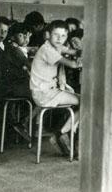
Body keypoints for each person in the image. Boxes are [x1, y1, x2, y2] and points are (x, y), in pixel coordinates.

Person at [29, 20, 81, 156]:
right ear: (48, 35)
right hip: (44, 94)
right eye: (56, 35)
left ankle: (63, 132)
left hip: (50, 91)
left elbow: (72, 51)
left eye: (63, 36)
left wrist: (79, 49)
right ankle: (62, 133)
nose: (60, 39)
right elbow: (73, 64)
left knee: (83, 101)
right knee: (86, 101)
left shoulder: (56, 47)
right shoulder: (47, 49)